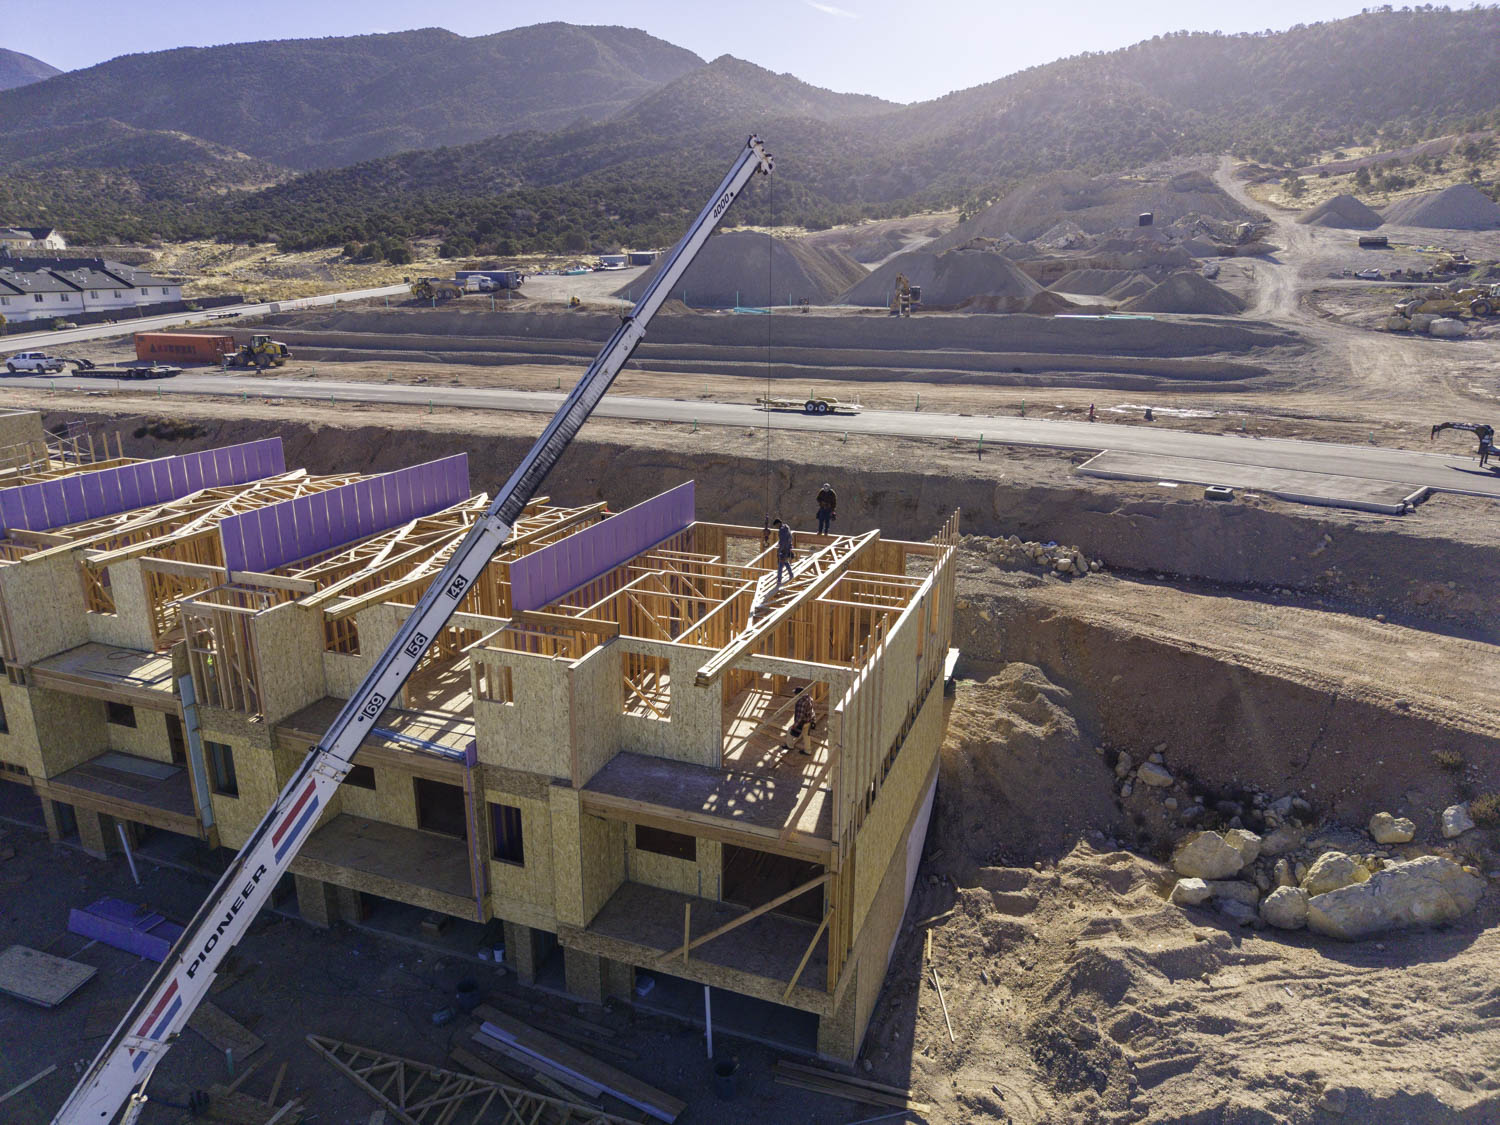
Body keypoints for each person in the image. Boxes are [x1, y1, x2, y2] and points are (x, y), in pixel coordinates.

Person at [783, 686, 817, 755]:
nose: (795, 695)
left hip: (802, 722)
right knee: (806, 736)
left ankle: (790, 746)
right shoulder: (809, 698)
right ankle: (808, 751)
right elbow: (812, 711)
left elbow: (800, 716)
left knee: (790, 731)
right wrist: (813, 720)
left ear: (799, 694)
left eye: (796, 694)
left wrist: (795, 726)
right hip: (809, 721)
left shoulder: (801, 703)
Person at [773, 518, 794, 591]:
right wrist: (790, 547)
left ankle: (779, 581)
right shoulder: (787, 527)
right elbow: (790, 538)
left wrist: (779, 550)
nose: (776, 527)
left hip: (784, 550)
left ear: (778, 523)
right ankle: (791, 574)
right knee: (786, 562)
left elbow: (783, 542)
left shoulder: (781, 530)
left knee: (780, 566)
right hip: (788, 549)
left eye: (776, 525)